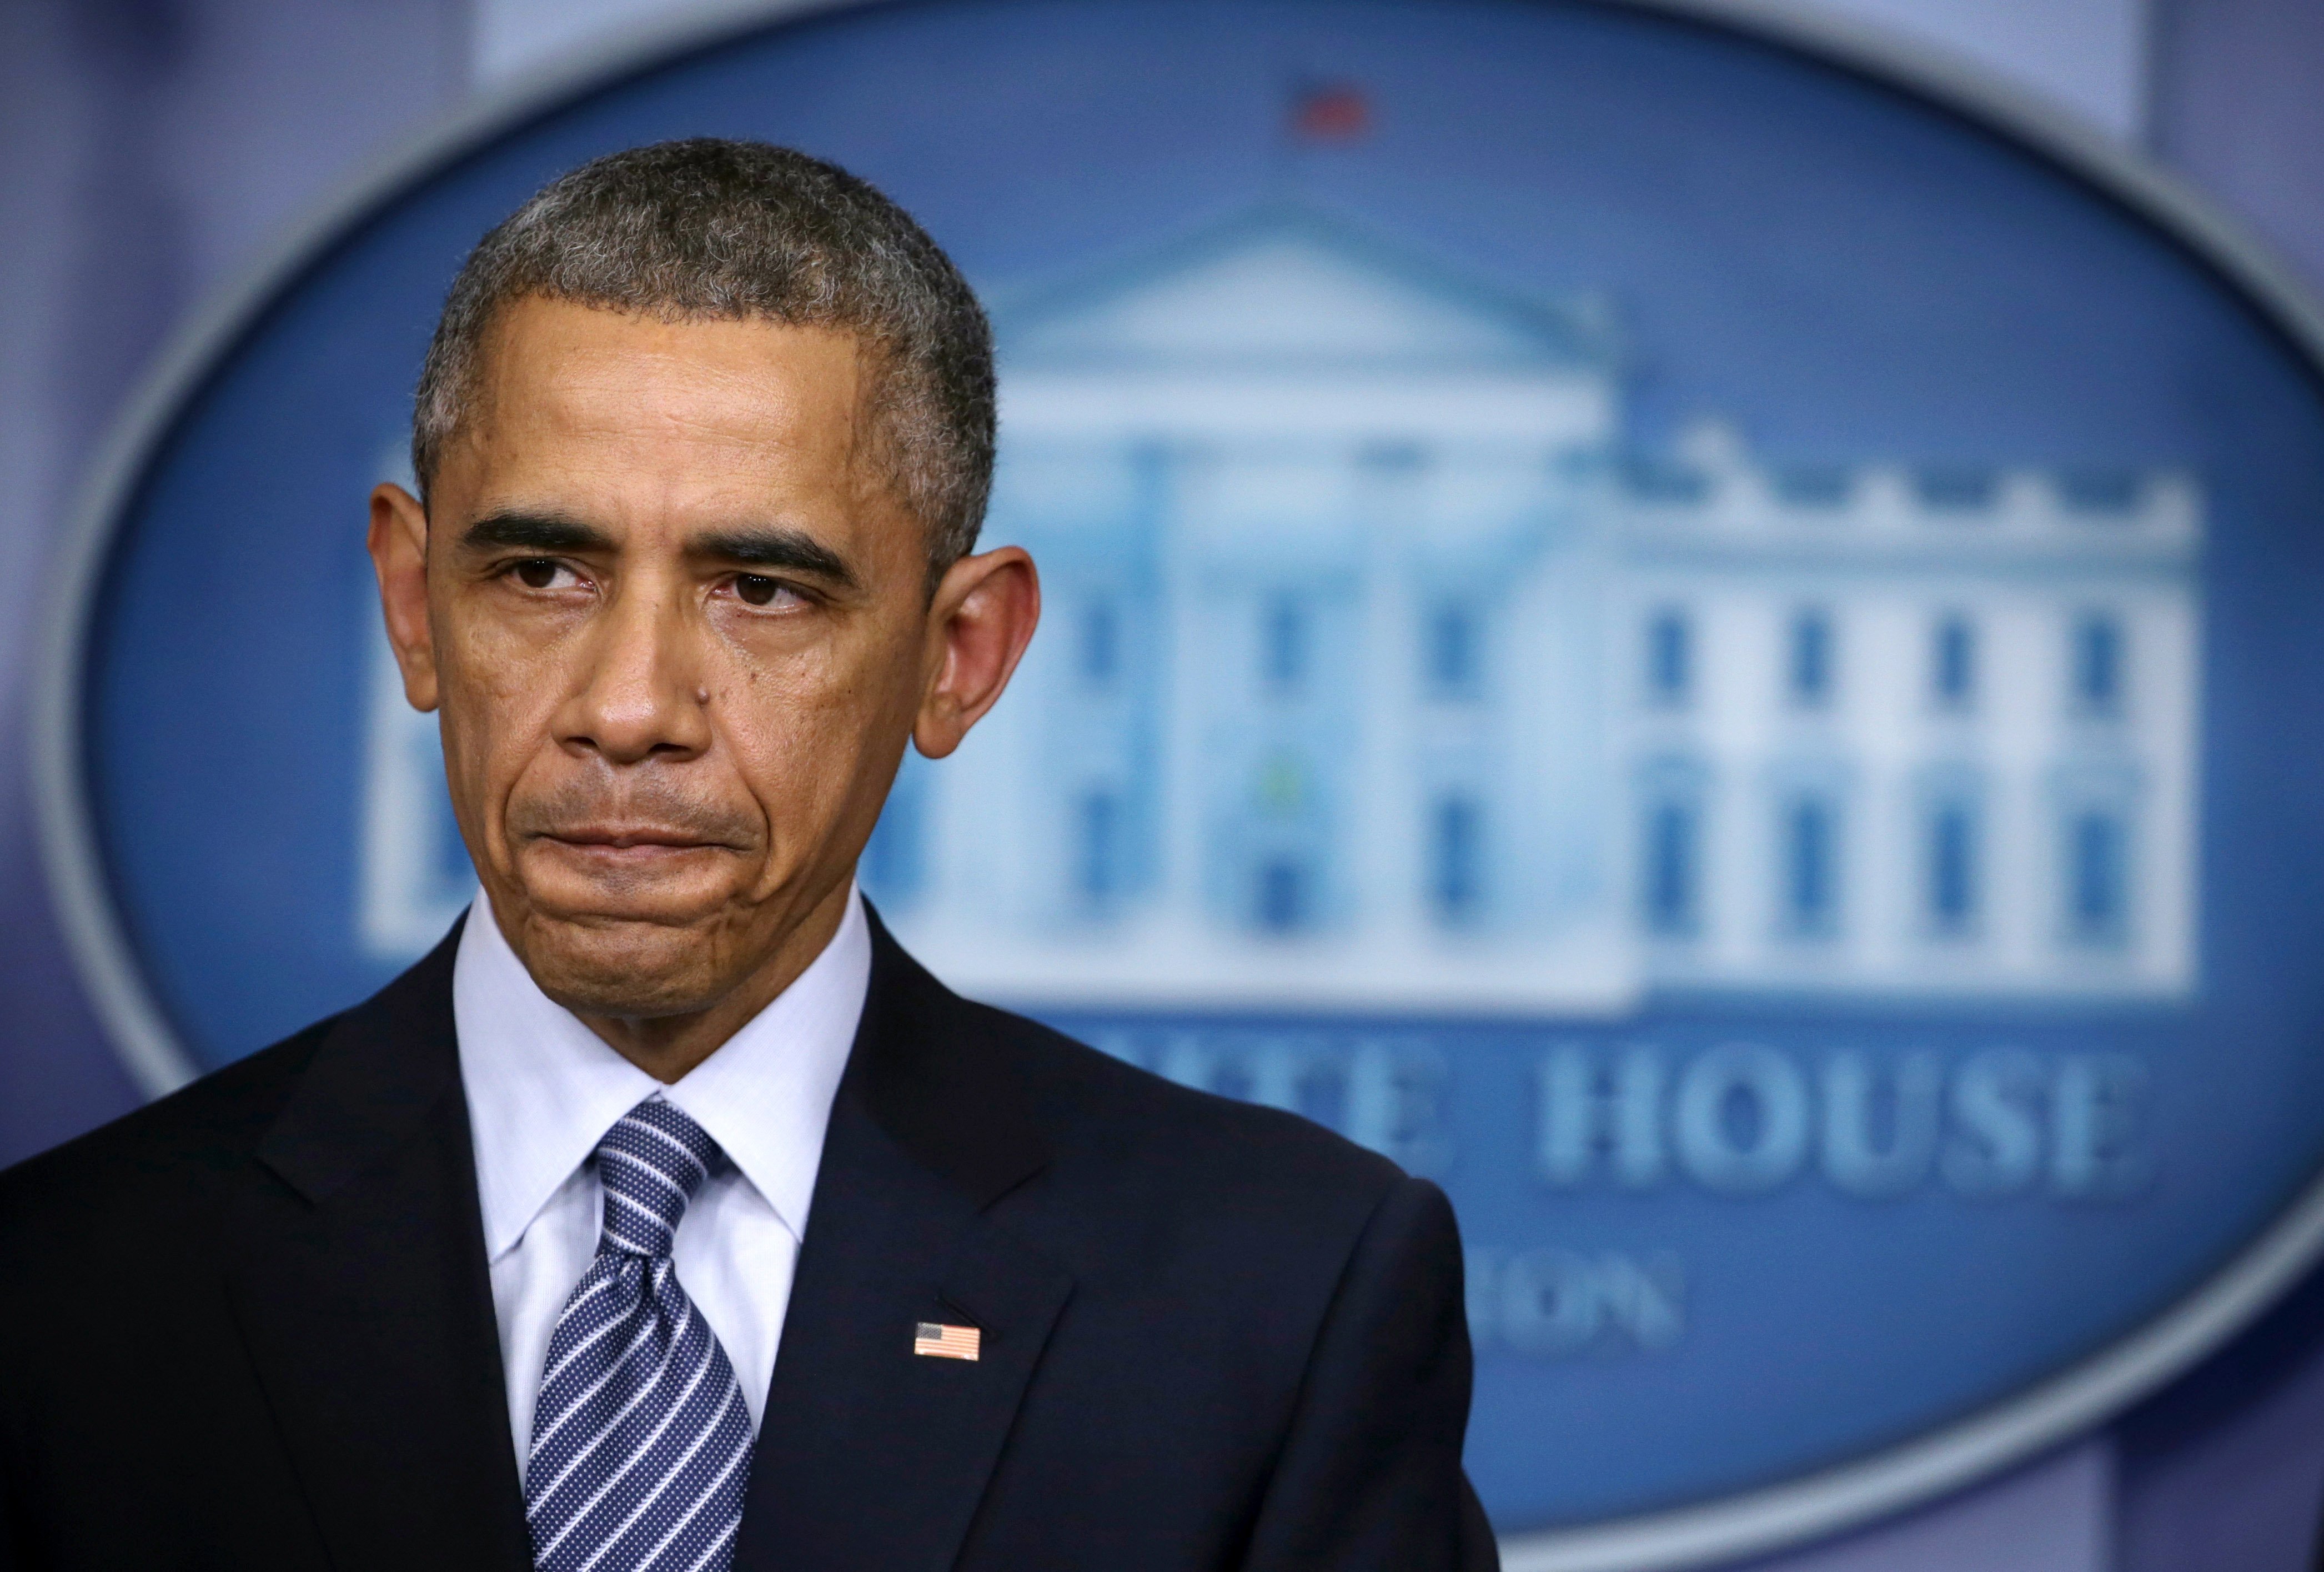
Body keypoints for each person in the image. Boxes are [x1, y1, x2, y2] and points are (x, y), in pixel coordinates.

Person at [0, 139, 1493, 1572]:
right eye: (540, 573)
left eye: (760, 591)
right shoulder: (59, 1298)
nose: (630, 707)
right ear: (411, 605)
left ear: (957, 657)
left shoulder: (1280, 1299)